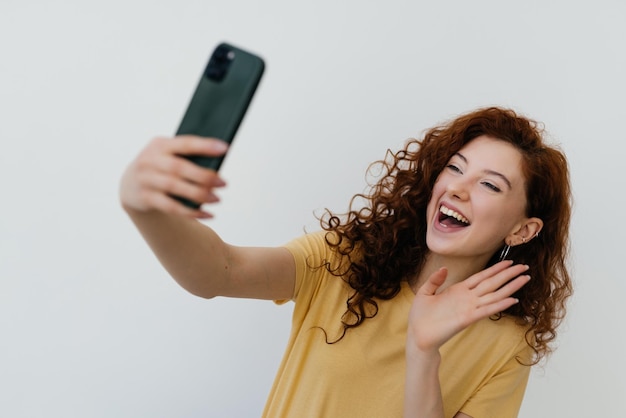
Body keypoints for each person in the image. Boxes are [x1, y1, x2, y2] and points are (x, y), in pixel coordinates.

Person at [119, 106, 572, 418]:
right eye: (455, 168)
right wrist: (147, 209)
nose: (456, 188)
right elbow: (218, 271)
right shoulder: (343, 258)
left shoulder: (507, 343)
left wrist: (423, 350)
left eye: (489, 185)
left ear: (522, 231)